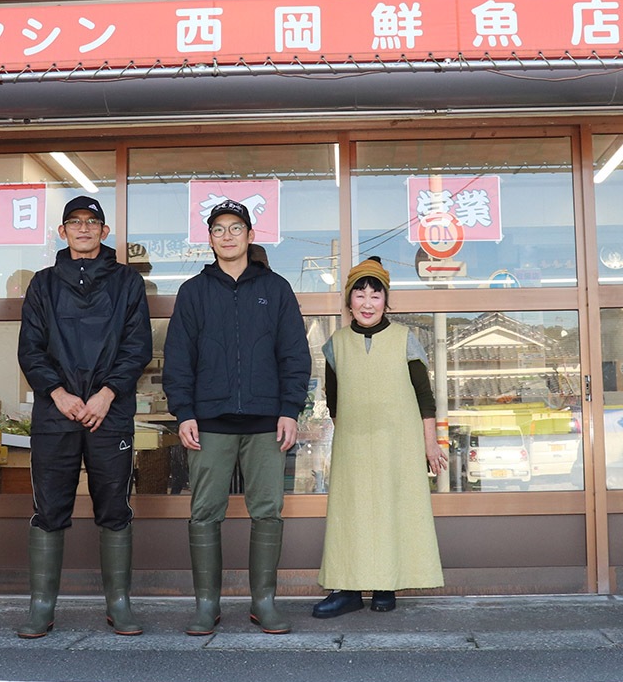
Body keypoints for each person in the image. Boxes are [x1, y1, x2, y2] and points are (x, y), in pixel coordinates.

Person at [163, 199, 311, 635]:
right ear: (209, 239)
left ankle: (263, 601)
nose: (227, 236)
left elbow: (294, 355)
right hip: (209, 423)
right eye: (218, 230)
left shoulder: (276, 288)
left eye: (235, 228)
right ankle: (206, 604)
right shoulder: (194, 291)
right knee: (204, 512)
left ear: (249, 235)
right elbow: (177, 358)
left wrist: (289, 409)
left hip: (266, 422)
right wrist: (184, 412)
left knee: (267, 511)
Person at [16, 195, 153, 638]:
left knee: (114, 506)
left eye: (92, 222)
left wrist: (107, 393)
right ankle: (41, 606)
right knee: (49, 507)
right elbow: (30, 349)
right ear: (62, 232)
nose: (83, 228)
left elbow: (137, 348)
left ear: (104, 231)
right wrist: (57, 392)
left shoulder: (127, 283)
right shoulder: (43, 284)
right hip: (56, 412)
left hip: (108, 412)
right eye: (74, 222)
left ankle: (119, 604)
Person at [312, 256, 445, 619]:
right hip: (353, 444)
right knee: (350, 515)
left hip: (398, 442)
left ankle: (386, 585)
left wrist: (429, 443)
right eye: (360, 295)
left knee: (391, 510)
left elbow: (424, 396)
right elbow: (334, 401)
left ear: (386, 301)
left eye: (375, 295)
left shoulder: (405, 339)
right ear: (349, 301)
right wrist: (347, 440)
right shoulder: (335, 345)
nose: (367, 303)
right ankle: (348, 588)